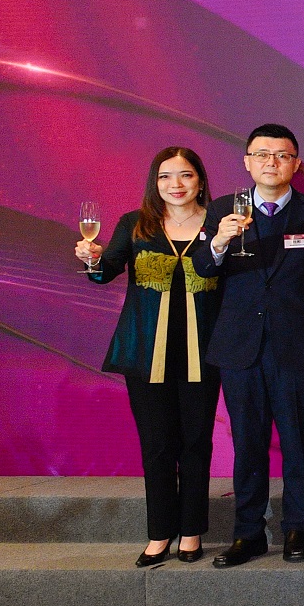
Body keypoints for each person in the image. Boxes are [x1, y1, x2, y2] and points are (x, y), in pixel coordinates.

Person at [193, 123, 304, 568]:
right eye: (262, 154)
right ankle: (248, 533)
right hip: (240, 349)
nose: (271, 162)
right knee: (248, 443)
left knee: (297, 442)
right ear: (247, 162)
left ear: (296, 163)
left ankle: (297, 528)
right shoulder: (223, 209)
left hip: (296, 348)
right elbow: (202, 269)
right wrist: (219, 242)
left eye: (282, 155)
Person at [78, 146, 223, 567]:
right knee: (157, 445)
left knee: (196, 442)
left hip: (203, 352)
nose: (175, 185)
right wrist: (91, 260)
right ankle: (159, 533)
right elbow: (105, 271)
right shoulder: (135, 223)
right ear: (154, 183)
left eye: (185, 175)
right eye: (165, 177)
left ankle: (192, 531)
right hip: (145, 352)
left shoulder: (220, 223)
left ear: (200, 180)